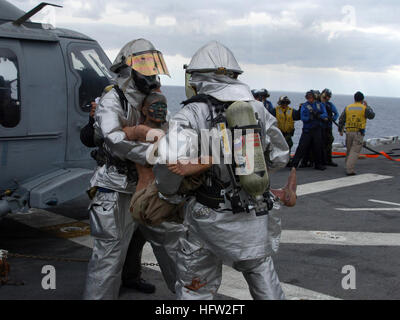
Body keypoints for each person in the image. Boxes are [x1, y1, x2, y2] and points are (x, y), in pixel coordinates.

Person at [154, 41, 290, 300]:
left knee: (197, 289)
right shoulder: (258, 109)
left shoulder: (192, 112)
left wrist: (168, 194)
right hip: (254, 213)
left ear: (198, 78)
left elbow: (168, 161)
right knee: (263, 276)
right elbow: (280, 156)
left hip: (208, 216)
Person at [83, 38, 180, 300]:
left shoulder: (153, 99)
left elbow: (167, 134)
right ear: (128, 68)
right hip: (114, 188)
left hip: (148, 185)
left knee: (173, 246)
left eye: (153, 64)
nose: (151, 71)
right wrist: (153, 151)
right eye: (145, 65)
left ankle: (195, 299)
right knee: (108, 256)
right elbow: (114, 140)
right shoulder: (112, 98)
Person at [80, 97, 156, 294]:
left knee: (138, 237)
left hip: (141, 185)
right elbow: (89, 138)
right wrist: (93, 120)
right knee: (110, 246)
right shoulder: (112, 105)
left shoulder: (152, 103)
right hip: (115, 184)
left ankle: (131, 276)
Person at [289, 90, 328, 170]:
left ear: (314, 97)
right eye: (308, 97)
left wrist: (319, 115)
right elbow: (303, 118)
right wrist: (310, 118)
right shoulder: (304, 106)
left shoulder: (319, 105)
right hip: (307, 130)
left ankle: (318, 164)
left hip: (317, 129)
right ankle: (294, 164)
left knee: (318, 147)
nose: (309, 99)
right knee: (301, 147)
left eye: (311, 97)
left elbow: (325, 114)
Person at [338, 91, 375, 176]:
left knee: (349, 149)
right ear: (362, 99)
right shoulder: (364, 108)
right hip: (358, 132)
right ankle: (349, 169)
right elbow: (372, 116)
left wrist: (340, 129)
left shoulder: (348, 107)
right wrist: (367, 106)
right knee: (355, 151)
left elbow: (341, 119)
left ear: (354, 99)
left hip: (348, 131)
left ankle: (347, 165)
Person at [320, 89, 339, 167]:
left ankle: (328, 160)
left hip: (328, 127)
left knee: (329, 142)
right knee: (321, 144)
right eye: (326, 96)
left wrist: (332, 119)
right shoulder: (318, 104)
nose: (328, 98)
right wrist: (323, 118)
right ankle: (321, 160)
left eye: (329, 96)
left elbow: (336, 113)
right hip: (320, 127)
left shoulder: (330, 105)